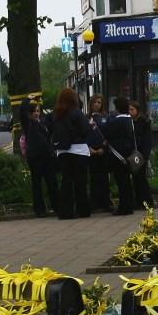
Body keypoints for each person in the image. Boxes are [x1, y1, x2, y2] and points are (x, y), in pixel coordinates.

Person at [50, 88, 93, 219]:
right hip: (79, 150)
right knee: (80, 181)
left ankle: (65, 211)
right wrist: (90, 126)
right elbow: (85, 131)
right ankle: (83, 209)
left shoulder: (57, 114)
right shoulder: (77, 113)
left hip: (62, 151)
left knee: (66, 181)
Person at [103, 96, 137, 216]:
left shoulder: (118, 121)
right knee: (126, 182)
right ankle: (128, 206)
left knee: (122, 182)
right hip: (127, 154)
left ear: (117, 108)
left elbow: (107, 133)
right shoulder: (129, 120)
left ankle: (124, 208)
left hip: (118, 156)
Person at [24, 103, 59, 217]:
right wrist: (27, 99)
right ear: (29, 113)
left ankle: (57, 206)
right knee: (37, 183)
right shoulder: (28, 123)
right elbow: (21, 110)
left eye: (38, 111)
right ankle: (39, 209)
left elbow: (52, 120)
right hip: (35, 157)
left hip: (47, 156)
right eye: (34, 111)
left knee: (52, 182)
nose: (36, 113)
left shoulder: (43, 123)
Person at [87, 93, 115, 213]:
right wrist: (89, 148)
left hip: (103, 150)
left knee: (104, 177)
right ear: (91, 103)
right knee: (94, 177)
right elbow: (84, 135)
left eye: (99, 102)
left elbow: (110, 133)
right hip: (91, 151)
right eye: (95, 102)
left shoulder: (107, 117)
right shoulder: (86, 118)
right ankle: (94, 202)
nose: (97, 105)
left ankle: (106, 201)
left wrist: (104, 148)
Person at [130, 100, 156, 210]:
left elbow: (147, 140)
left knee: (142, 178)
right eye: (129, 110)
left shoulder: (144, 122)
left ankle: (148, 200)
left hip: (141, 152)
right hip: (133, 153)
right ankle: (139, 200)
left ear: (137, 110)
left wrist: (145, 156)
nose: (130, 112)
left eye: (132, 109)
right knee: (136, 178)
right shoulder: (129, 122)